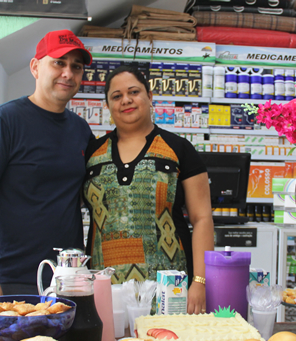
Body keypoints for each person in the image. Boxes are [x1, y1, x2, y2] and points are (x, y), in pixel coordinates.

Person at [0, 30, 93, 299]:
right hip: (12, 280)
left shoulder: (81, 130)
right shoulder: (4, 121)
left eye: (76, 66)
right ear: (35, 67)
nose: (68, 73)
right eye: (59, 62)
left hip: (67, 280)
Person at [83, 65, 214, 314]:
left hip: (169, 288)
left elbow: (202, 219)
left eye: (134, 92)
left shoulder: (178, 149)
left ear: (150, 97)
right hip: (106, 288)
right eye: (116, 96)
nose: (126, 100)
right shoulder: (92, 153)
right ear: (107, 106)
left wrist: (199, 281)